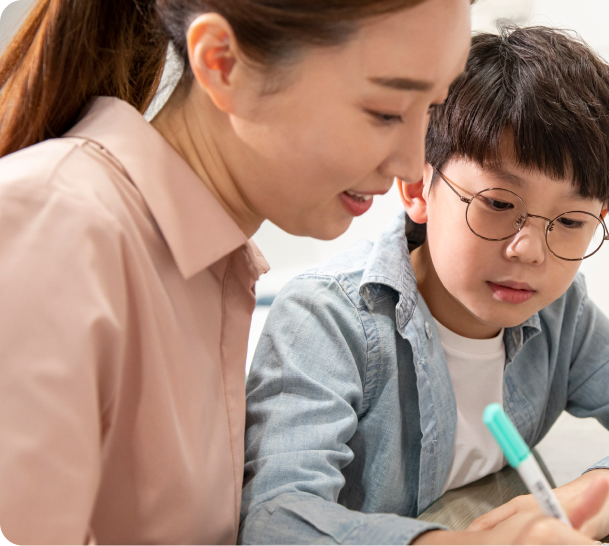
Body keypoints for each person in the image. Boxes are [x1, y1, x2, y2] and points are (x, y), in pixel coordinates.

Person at [241, 24, 609, 546]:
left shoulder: (558, 314)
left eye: (571, 222)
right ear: (418, 188)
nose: (529, 250)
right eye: (500, 204)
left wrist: (606, 492)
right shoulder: (328, 319)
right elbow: (276, 516)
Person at [0, 0, 470, 544]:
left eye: (431, 110)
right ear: (223, 63)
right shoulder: (51, 226)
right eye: (386, 111)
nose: (411, 166)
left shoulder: (211, 266)